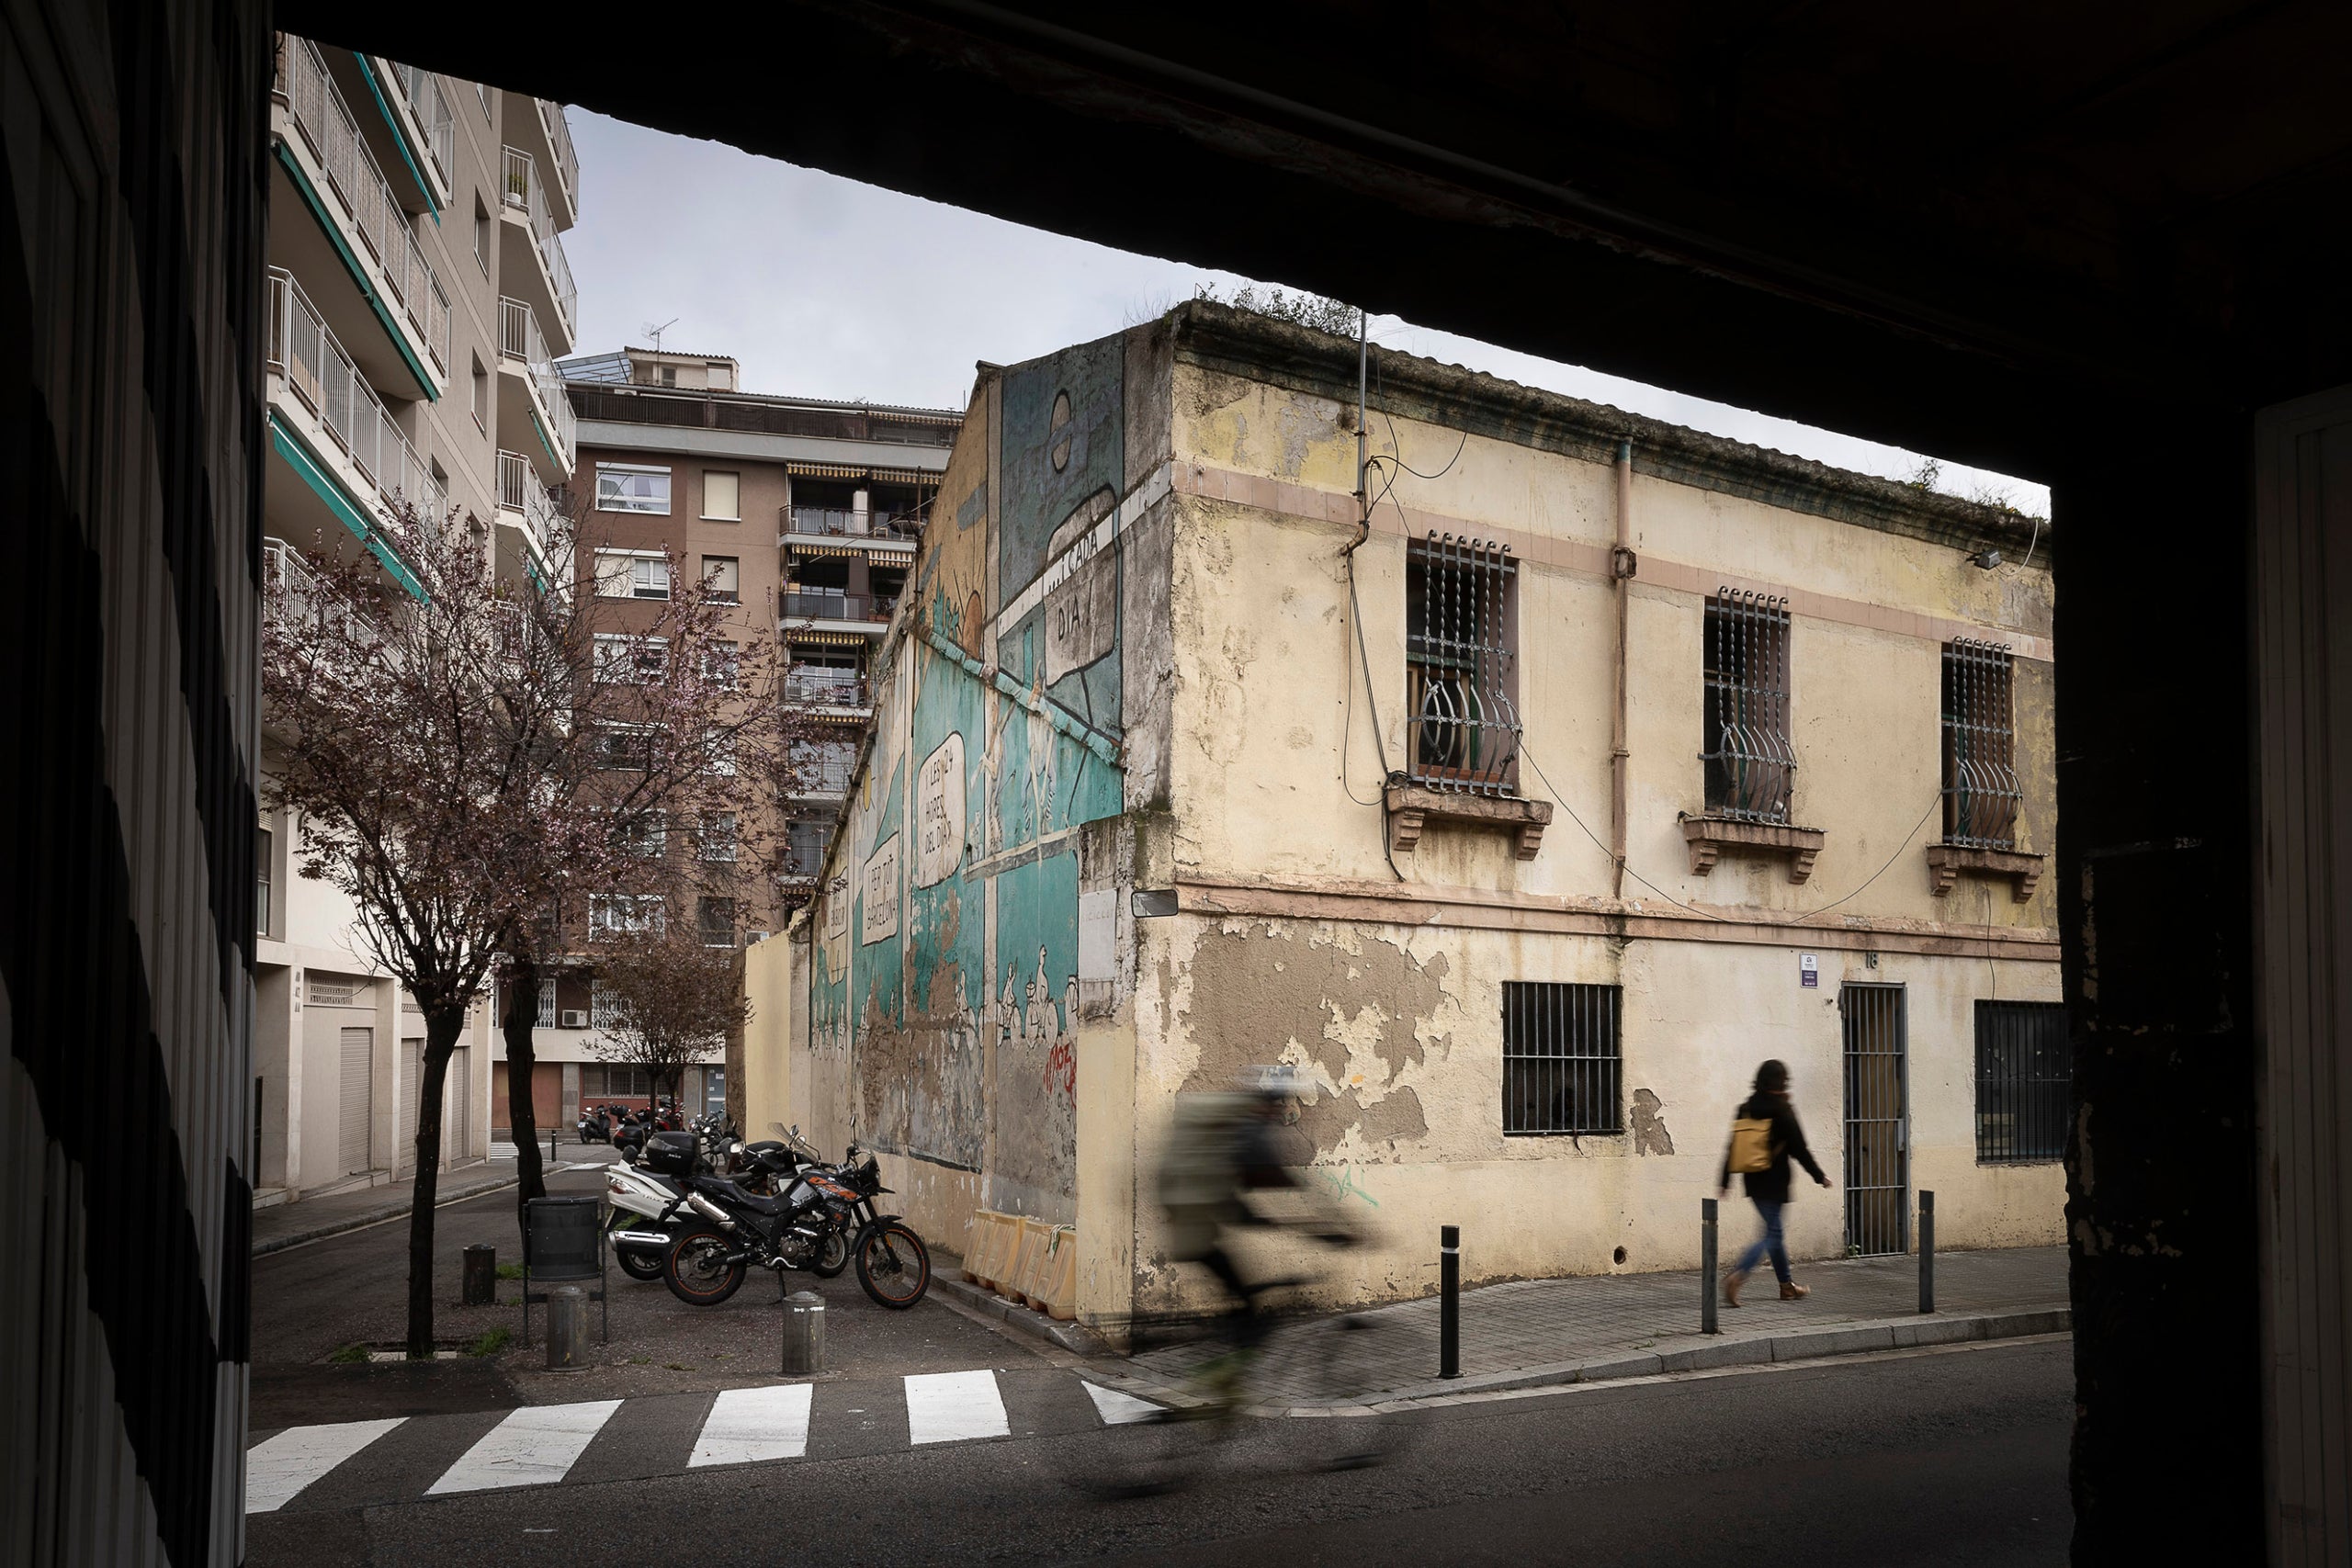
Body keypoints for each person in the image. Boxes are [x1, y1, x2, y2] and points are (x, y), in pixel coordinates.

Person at [1155, 1066, 1348, 1354]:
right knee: (1243, 1300)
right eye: (1282, 1102)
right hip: (1196, 1210)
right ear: (1275, 1102)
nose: (1283, 1111)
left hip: (1196, 1203)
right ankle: (1233, 1364)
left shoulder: (1234, 1115)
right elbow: (1275, 1177)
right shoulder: (1249, 1126)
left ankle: (1240, 1336)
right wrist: (1329, 1225)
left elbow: (1257, 1182)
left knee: (1235, 1277)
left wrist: (1300, 1223)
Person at [1717, 1058, 1830, 1306]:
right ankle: (1740, 1273)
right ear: (1781, 1082)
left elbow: (1733, 1146)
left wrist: (1724, 1180)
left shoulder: (1745, 1108)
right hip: (1776, 1182)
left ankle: (1787, 1287)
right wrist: (1819, 1176)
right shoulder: (1782, 1109)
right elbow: (1799, 1149)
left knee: (1775, 1234)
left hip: (1753, 1180)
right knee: (1772, 1234)